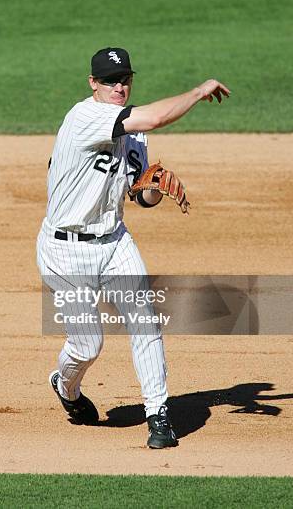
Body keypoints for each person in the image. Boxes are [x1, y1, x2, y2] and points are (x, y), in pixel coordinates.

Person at [36, 47, 230, 449]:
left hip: (115, 241)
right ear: (93, 84)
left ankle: (158, 416)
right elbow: (156, 117)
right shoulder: (84, 117)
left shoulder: (133, 130)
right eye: (110, 80)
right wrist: (197, 91)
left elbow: (138, 196)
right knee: (88, 345)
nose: (119, 86)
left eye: (125, 78)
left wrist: (154, 189)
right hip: (65, 251)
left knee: (145, 321)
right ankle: (66, 386)